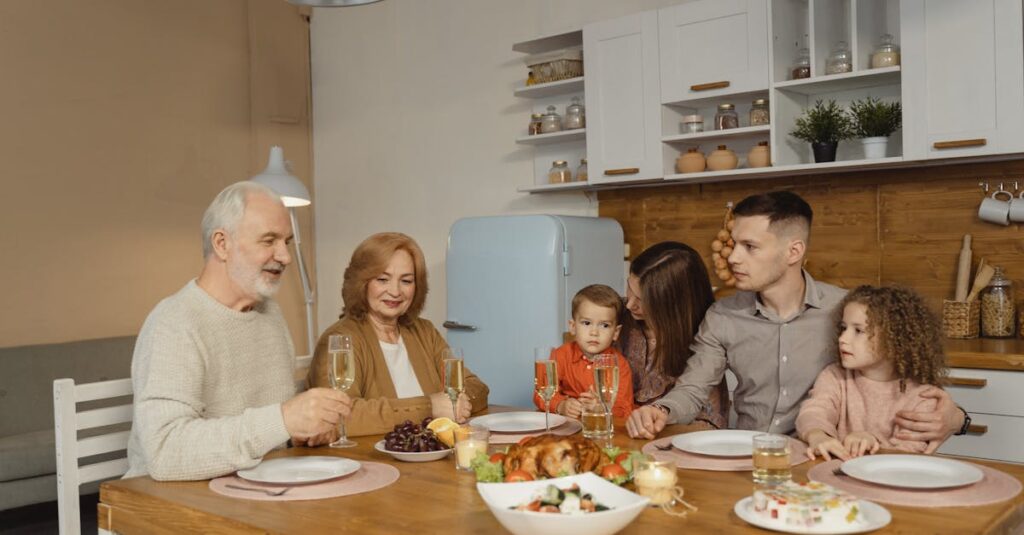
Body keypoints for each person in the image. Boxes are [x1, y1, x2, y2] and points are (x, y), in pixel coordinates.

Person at [626, 191, 965, 446]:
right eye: (733, 244)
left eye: (750, 246)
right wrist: (663, 411)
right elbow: (693, 389)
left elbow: (902, 384)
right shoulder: (723, 316)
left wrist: (957, 418)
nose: (732, 257)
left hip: (821, 458)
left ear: (794, 251)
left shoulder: (846, 311)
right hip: (747, 456)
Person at [126, 182, 352, 481]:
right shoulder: (175, 323)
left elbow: (265, 433)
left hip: (255, 490)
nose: (284, 256)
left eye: (286, 241)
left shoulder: (270, 315)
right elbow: (166, 452)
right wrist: (282, 420)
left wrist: (298, 433)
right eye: (269, 240)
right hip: (171, 503)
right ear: (222, 244)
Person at [309, 232, 489, 436]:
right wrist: (429, 407)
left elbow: (478, 388)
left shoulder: (424, 331)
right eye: (383, 279)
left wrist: (457, 402)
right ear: (362, 282)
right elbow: (338, 416)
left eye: (406, 281)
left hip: (431, 454)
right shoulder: (339, 340)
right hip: (373, 462)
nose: (395, 291)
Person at [798, 286, 949, 460]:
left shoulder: (923, 396)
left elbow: (909, 453)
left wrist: (872, 442)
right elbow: (815, 411)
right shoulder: (835, 376)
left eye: (858, 331)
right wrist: (818, 435)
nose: (842, 339)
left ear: (894, 339)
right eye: (843, 328)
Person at [618, 242, 730, 429]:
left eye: (642, 299)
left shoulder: (706, 342)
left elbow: (709, 425)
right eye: (629, 287)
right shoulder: (614, 317)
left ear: (673, 306)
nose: (629, 304)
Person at [532, 284, 635, 418]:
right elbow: (540, 394)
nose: (594, 332)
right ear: (573, 327)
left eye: (604, 325)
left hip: (600, 429)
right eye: (586, 323)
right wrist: (561, 405)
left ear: (615, 332)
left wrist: (601, 407)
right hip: (568, 427)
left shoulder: (619, 365)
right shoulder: (560, 355)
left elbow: (625, 408)